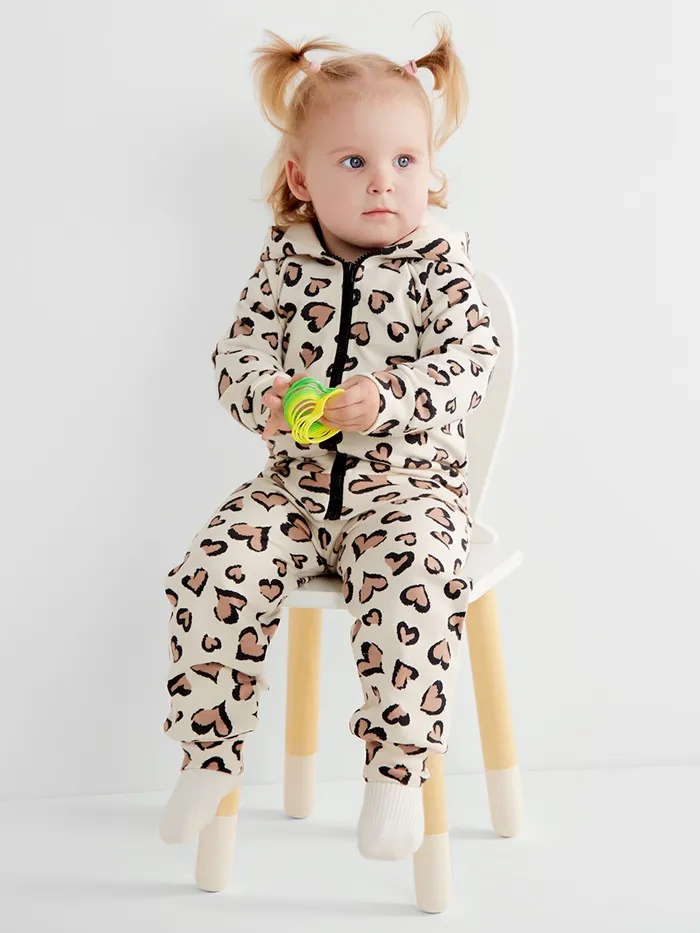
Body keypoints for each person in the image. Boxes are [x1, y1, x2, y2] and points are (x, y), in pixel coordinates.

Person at [159, 18, 500, 861]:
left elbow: (469, 363)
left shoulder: (439, 267)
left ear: (430, 170)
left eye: (405, 160)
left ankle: (397, 771)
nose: (384, 181)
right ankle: (208, 753)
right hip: (294, 492)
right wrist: (269, 397)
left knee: (417, 578)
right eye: (354, 162)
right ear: (300, 177)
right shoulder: (284, 264)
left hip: (408, 490)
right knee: (214, 567)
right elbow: (236, 352)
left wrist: (390, 397)